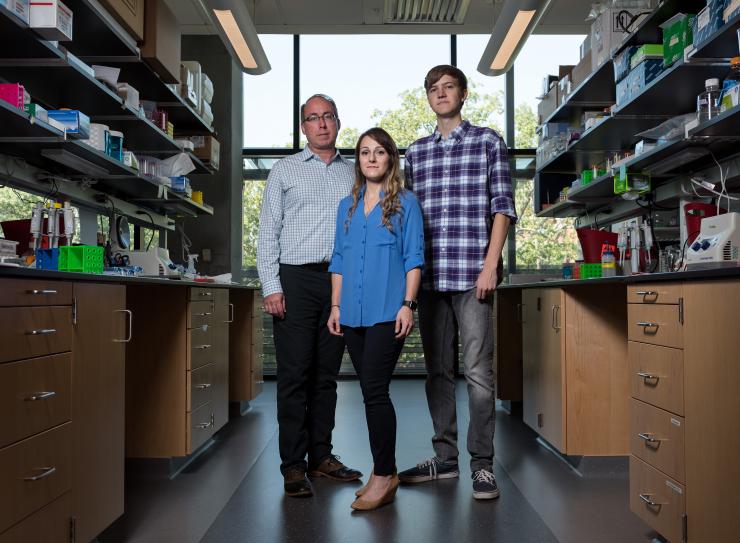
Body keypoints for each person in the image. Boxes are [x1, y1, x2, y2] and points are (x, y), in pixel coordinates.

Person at [399, 65, 517, 500]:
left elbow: (502, 207)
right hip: (431, 279)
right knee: (437, 373)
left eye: (448, 87)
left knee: (480, 375)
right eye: (433, 89)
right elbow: (409, 220)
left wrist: (491, 265)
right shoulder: (416, 152)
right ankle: (445, 459)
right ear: (428, 98)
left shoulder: (488, 141)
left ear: (463, 94)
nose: (440, 93)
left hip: (473, 277)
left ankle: (482, 465)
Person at [257, 93, 362, 498]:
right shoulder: (284, 171)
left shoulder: (353, 173)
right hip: (295, 282)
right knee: (294, 376)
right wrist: (272, 287)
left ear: (338, 122)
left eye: (328, 117)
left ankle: (321, 457)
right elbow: (268, 233)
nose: (321, 124)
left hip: (337, 283)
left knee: (327, 378)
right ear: (304, 127)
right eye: (313, 118)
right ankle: (292, 466)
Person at [328, 127, 424, 511]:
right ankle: (382, 472)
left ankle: (385, 474)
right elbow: (338, 260)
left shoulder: (406, 203)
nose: (371, 158)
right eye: (365, 152)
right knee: (371, 391)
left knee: (374, 390)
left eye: (379, 152)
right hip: (351, 313)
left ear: (390, 159)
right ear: (358, 160)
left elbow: (414, 258)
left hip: (388, 312)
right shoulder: (346, 206)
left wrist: (408, 305)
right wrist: (336, 307)